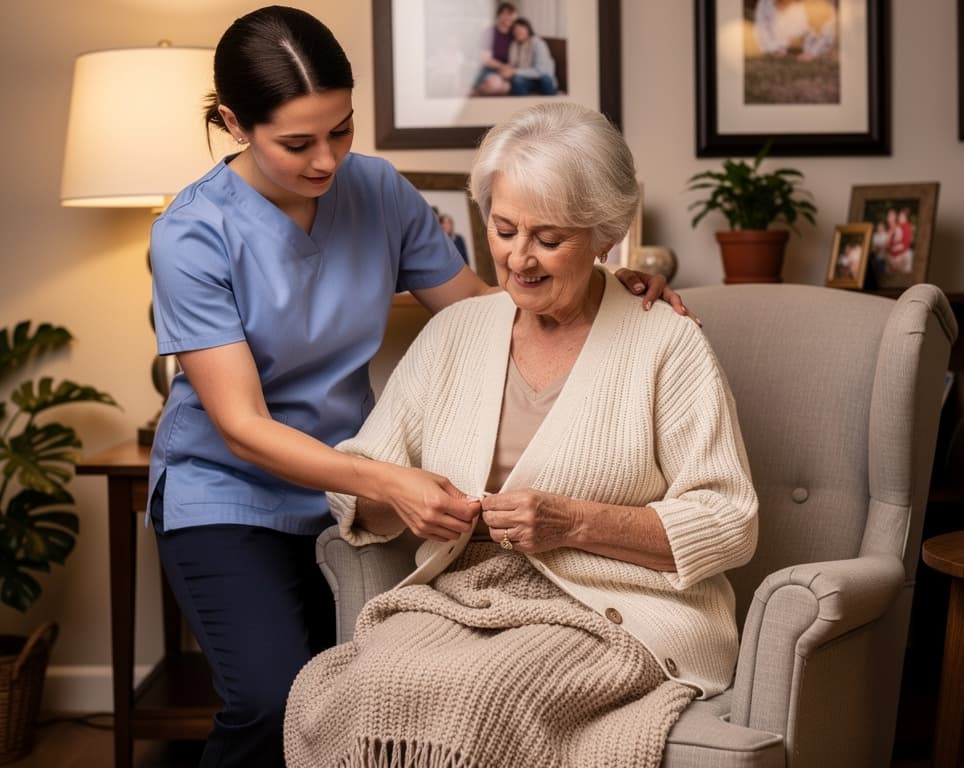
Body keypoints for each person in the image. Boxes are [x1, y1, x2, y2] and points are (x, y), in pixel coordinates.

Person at [146, 7, 690, 767]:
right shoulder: (191, 234)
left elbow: (484, 311)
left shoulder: (377, 191)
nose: (328, 161)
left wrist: (602, 283)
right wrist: (390, 481)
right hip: (233, 489)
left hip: (359, 491)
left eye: (342, 130)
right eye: (298, 143)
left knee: (341, 697)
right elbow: (240, 425)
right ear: (236, 124)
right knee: (270, 701)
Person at [284, 102, 758, 768]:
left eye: (549, 238)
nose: (518, 257)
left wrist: (574, 524)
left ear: (604, 233)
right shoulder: (455, 332)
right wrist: (405, 495)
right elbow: (362, 482)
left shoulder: (666, 344)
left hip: (613, 612)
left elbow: (730, 520)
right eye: (504, 230)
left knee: (480, 697)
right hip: (462, 597)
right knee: (360, 686)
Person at [503, 17, 559, 95]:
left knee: (546, 80)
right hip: (526, 78)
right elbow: (513, 64)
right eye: (515, 29)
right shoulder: (514, 44)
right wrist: (507, 69)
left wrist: (514, 71)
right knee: (517, 80)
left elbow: (540, 71)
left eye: (521, 28)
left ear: (528, 29)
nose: (518, 31)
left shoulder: (538, 44)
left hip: (541, 77)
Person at [473, 2, 518, 95]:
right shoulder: (489, 33)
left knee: (506, 87)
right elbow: (486, 60)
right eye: (505, 14)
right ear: (498, 15)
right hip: (489, 69)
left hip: (507, 71)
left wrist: (510, 69)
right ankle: (475, 92)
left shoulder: (515, 34)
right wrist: (502, 66)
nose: (509, 17)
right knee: (495, 84)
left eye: (511, 14)